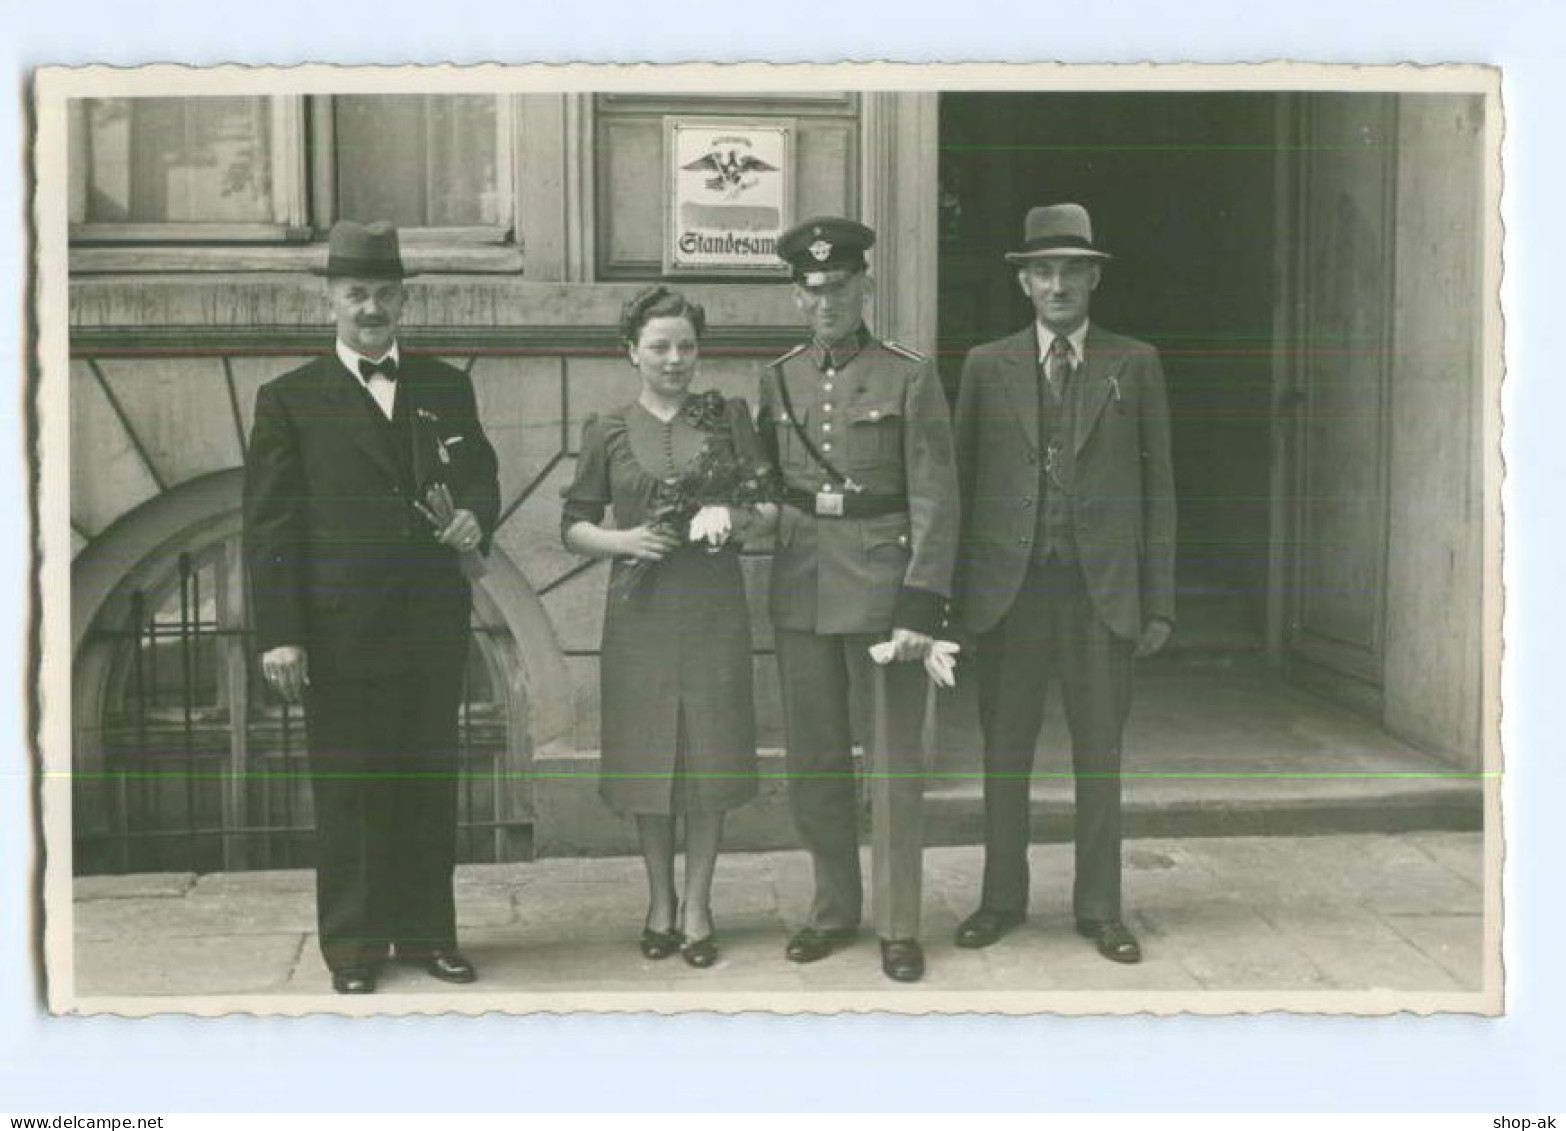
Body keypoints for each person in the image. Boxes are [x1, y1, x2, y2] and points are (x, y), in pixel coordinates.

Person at [243, 220, 500, 994]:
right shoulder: (289, 400)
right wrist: (282, 633)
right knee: (350, 788)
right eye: (357, 294)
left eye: (385, 294)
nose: (372, 308)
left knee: (427, 778)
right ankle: (353, 949)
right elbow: (270, 526)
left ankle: (428, 934)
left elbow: (482, 475)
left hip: (429, 624)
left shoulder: (446, 386)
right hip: (339, 632)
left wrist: (475, 516)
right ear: (331, 300)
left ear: (402, 301)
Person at [950, 203, 1176, 964]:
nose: (1057, 285)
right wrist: (954, 600)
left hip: (1101, 591)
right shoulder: (988, 363)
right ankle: (999, 899)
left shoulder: (1133, 362)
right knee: (1004, 754)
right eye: (1042, 271)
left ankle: (1101, 908)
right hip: (1008, 593)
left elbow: (1161, 489)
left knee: (1099, 757)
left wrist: (1159, 602)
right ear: (1022, 282)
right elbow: (963, 482)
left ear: (1094, 278)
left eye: (1071, 271)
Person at [758, 217, 960, 983]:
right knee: (814, 761)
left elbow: (937, 498)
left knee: (894, 762)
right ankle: (832, 908)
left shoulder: (909, 374)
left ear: (864, 285)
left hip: (883, 587)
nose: (825, 302)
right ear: (796, 293)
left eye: (838, 287)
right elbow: (770, 487)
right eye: (811, 290)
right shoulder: (776, 377)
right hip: (801, 581)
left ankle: (899, 923)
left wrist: (922, 604)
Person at [561, 286, 770, 969]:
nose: (674, 358)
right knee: (651, 754)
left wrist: (731, 519)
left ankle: (701, 903)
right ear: (632, 352)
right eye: (659, 346)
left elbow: (766, 505)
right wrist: (622, 541)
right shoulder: (609, 429)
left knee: (709, 752)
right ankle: (658, 900)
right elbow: (573, 525)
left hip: (711, 605)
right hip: (641, 611)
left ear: (699, 350)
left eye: (685, 345)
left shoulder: (728, 418)